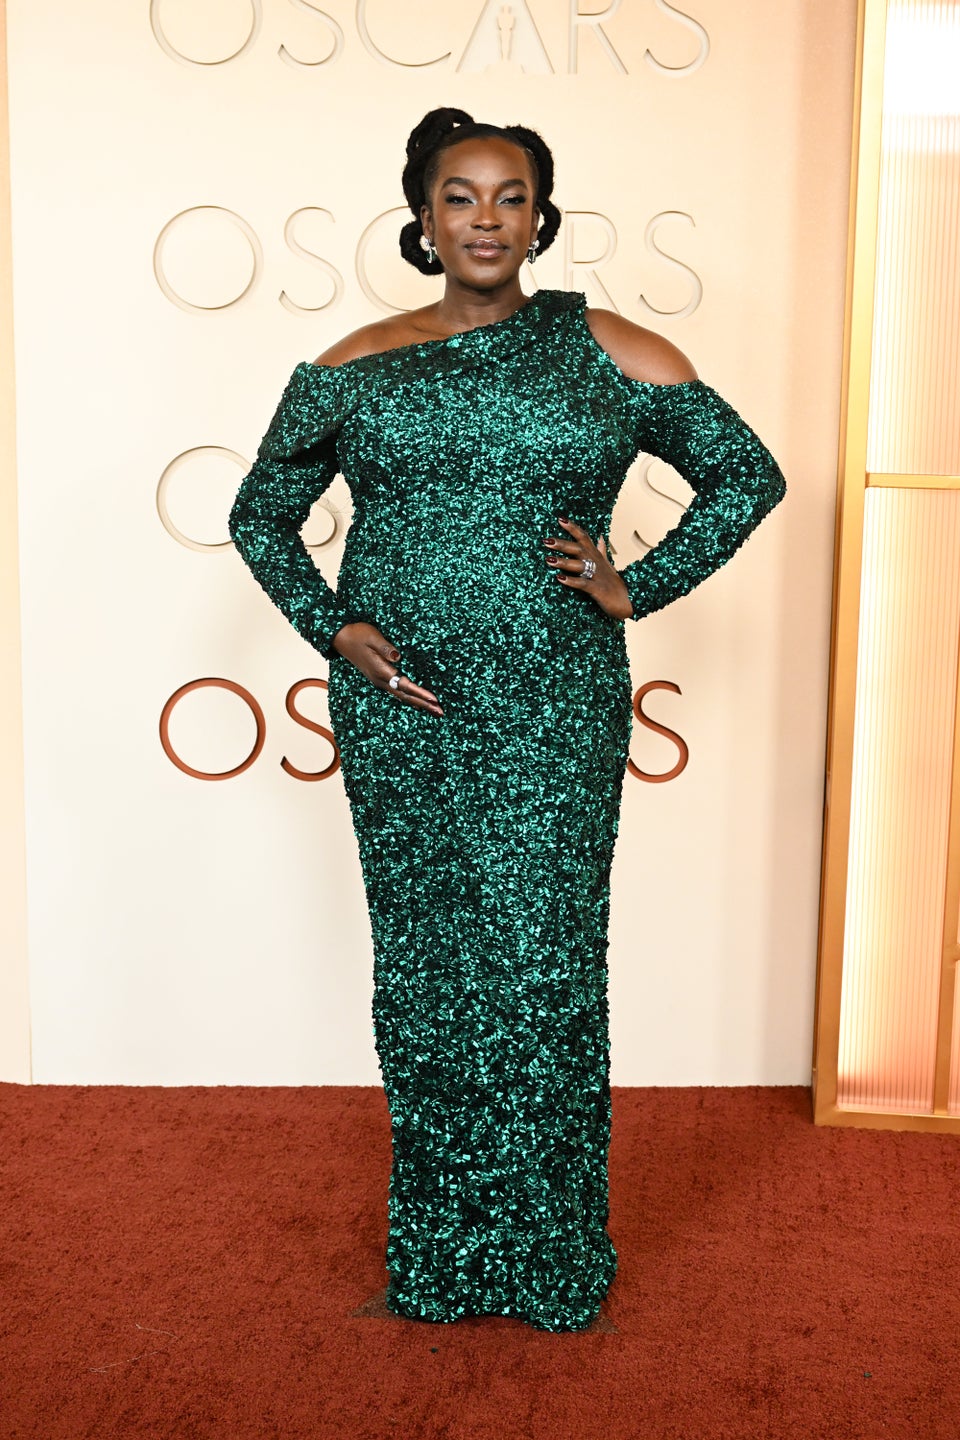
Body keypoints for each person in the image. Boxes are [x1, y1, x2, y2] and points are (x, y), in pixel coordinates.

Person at [228, 106, 786, 1333]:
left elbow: (750, 475)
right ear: (422, 219)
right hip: (403, 713)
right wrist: (333, 626)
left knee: (543, 967)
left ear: (542, 218)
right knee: (428, 973)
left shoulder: (605, 345)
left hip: (555, 705)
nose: (486, 218)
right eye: (460, 196)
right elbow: (259, 514)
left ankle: (549, 1255)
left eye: (511, 196)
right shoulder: (355, 362)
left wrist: (638, 583)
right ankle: (441, 1256)